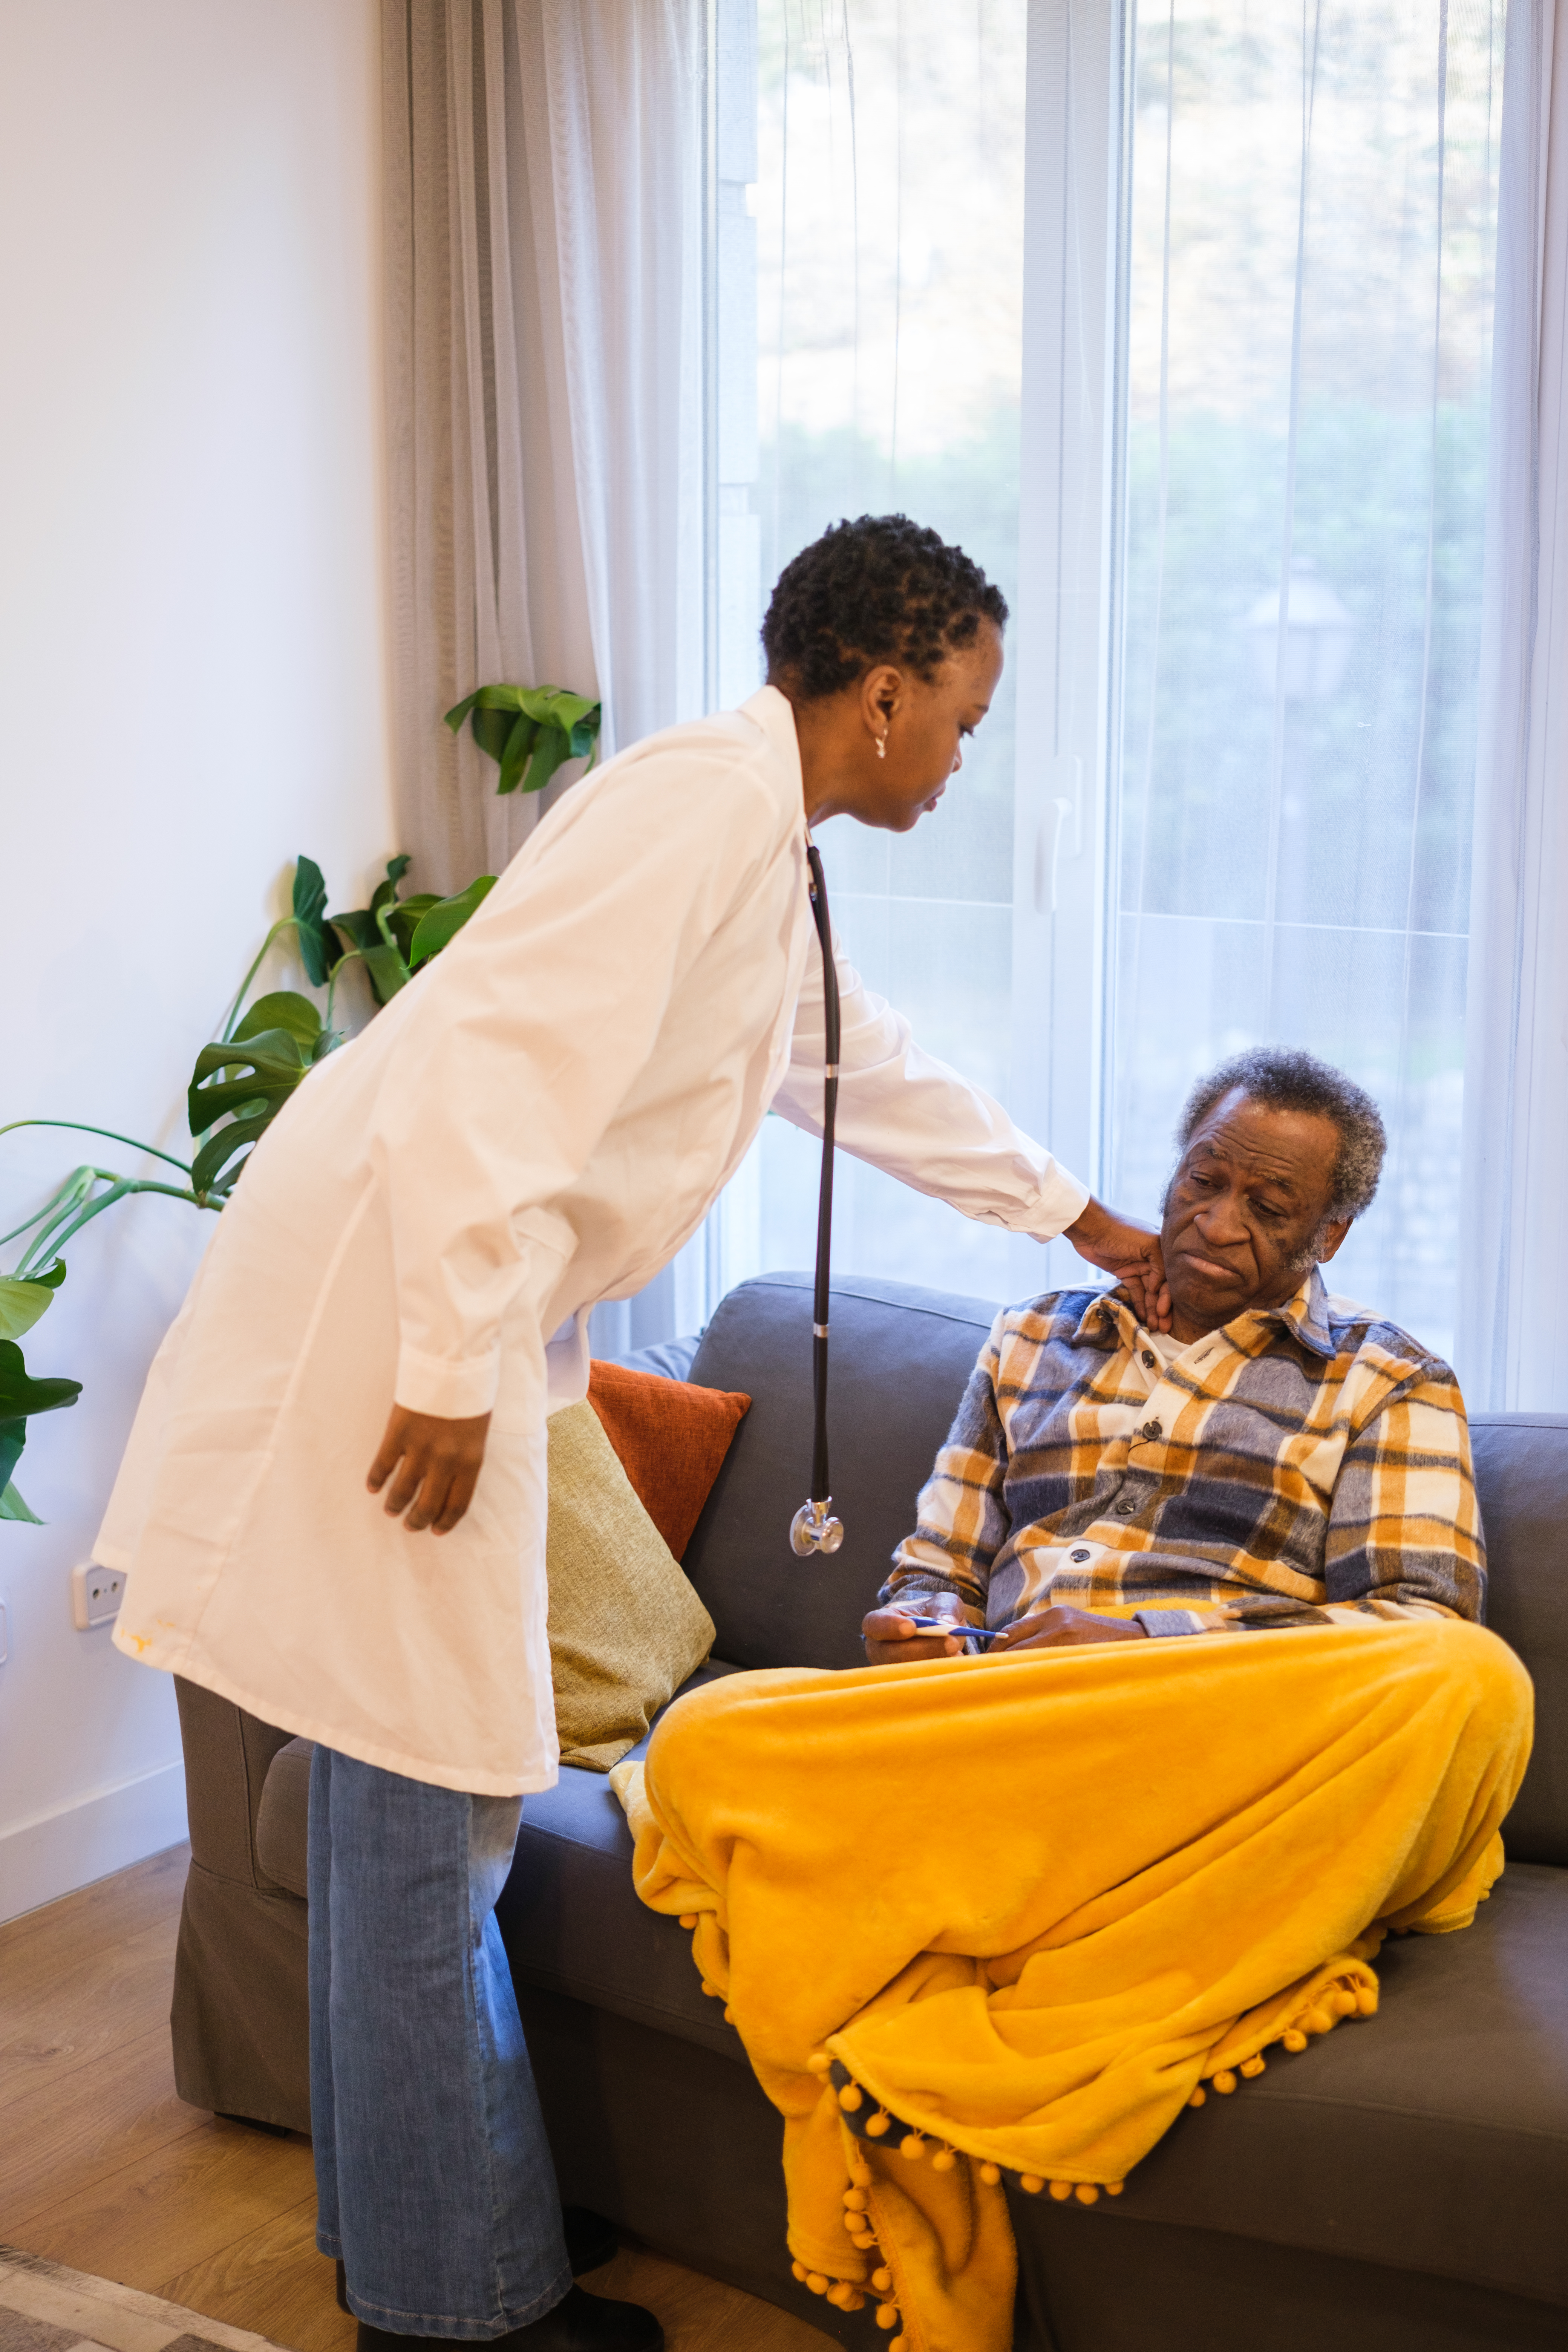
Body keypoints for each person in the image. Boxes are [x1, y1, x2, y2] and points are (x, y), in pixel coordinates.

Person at [99, 515, 1167, 2352]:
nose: (972, 755)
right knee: (433, 1804)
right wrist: (444, 1363)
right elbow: (497, 1072)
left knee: (385, 1799)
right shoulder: (696, 808)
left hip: (443, 1296)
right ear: (889, 691)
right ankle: (466, 2306)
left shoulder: (759, 845)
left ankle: (416, 2262)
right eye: (971, 717)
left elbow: (856, 1060)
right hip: (410, 1312)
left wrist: (1077, 1212)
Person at [864, 1046, 1484, 1666]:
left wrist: (1148, 1642)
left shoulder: (1391, 1380)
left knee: (1479, 1675)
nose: (1215, 1226)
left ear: (1330, 1234)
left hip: (1211, 1713)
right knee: (771, 1712)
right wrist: (922, 1618)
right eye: (1203, 1182)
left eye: (1266, 1209)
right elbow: (938, 1571)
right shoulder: (1034, 1333)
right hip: (998, 1701)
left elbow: (1422, 1625)